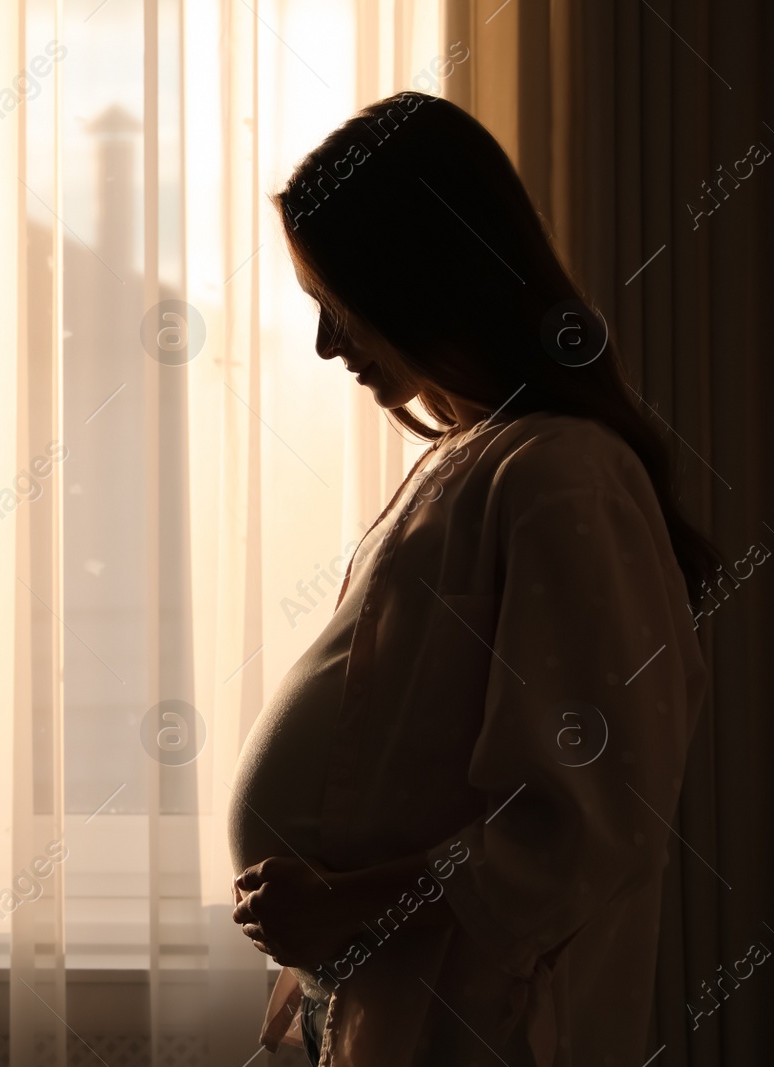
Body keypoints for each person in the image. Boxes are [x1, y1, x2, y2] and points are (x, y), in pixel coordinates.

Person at [228, 91, 713, 1066]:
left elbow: (587, 821)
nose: (327, 345)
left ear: (420, 276)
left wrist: (344, 904)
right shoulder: (480, 457)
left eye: (339, 304)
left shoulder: (557, 472)